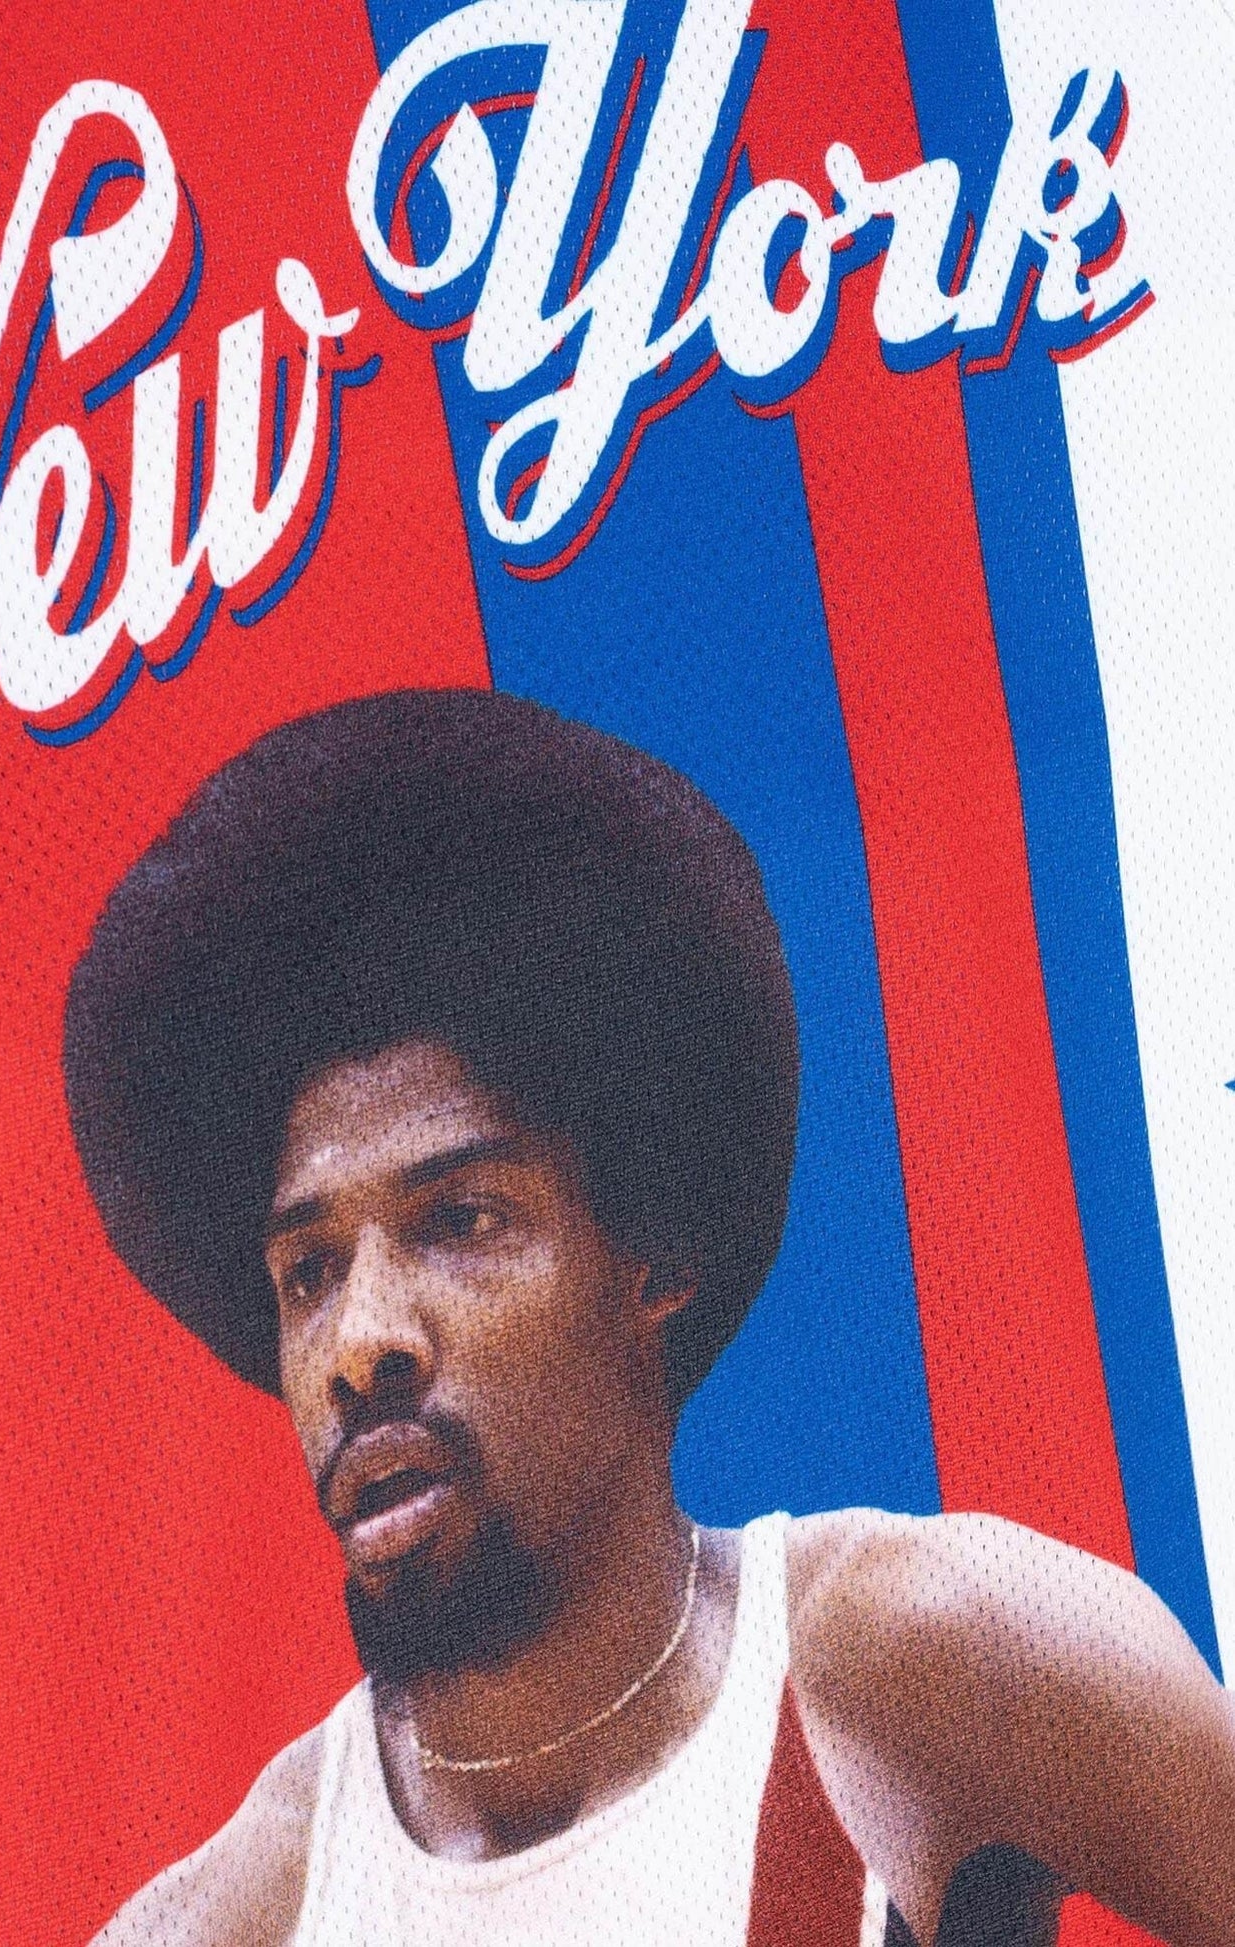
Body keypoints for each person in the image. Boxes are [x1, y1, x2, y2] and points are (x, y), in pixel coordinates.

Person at [61, 687, 1235, 1947]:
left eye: (459, 1219)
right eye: (308, 1271)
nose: (359, 1340)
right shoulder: (233, 1917)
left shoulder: (930, 1649)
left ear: (652, 1249)